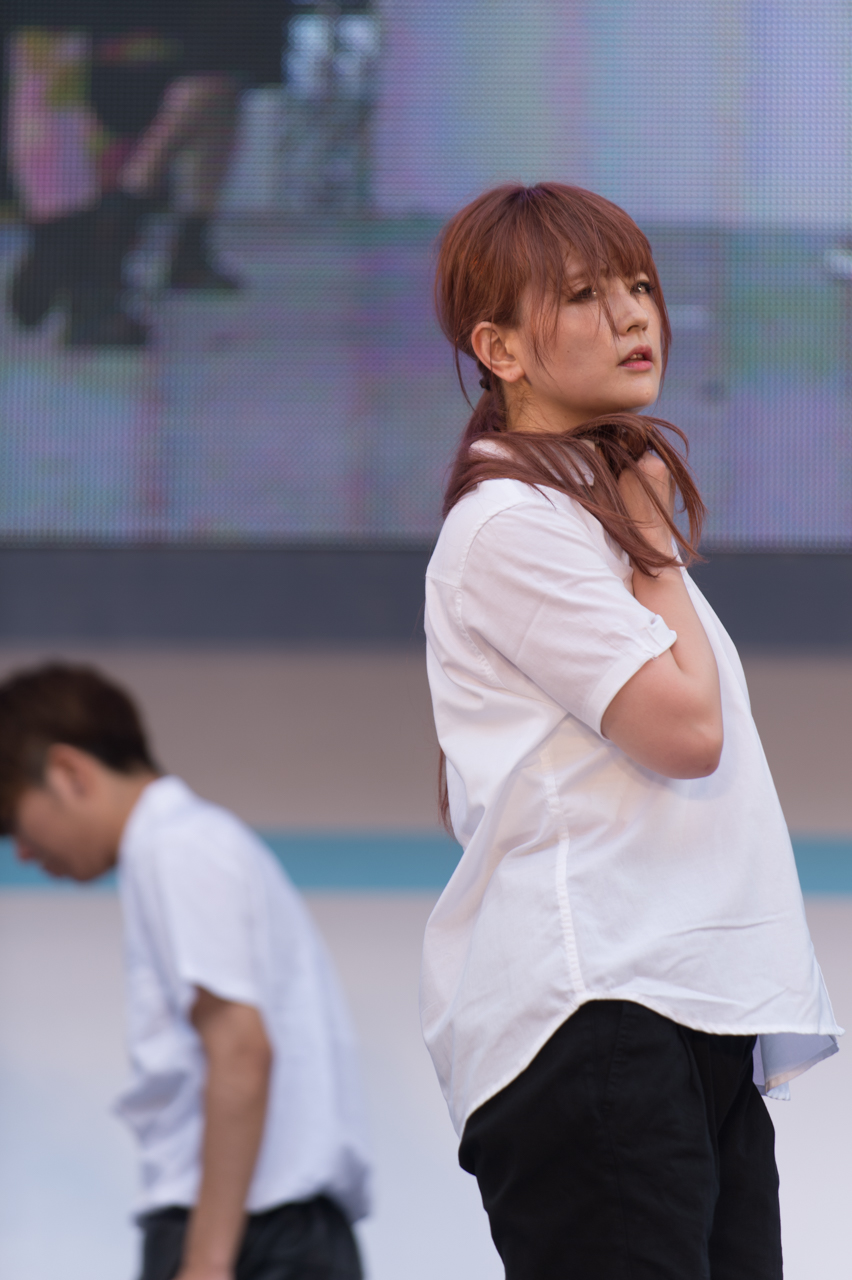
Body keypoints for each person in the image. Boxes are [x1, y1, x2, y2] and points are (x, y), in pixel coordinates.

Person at [421, 182, 841, 1279]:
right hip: (598, 1007)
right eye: (582, 295)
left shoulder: (582, 512)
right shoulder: (513, 524)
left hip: (680, 1011)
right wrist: (655, 542)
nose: (632, 315)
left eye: (640, 285)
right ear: (499, 348)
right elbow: (687, 732)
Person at [0, 662, 370, 1280]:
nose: (21, 850)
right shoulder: (192, 844)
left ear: (68, 773)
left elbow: (240, 1049)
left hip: (251, 1237)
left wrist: (205, 1261)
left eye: (13, 819)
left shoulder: (177, 846)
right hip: (269, 1232)